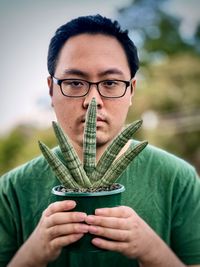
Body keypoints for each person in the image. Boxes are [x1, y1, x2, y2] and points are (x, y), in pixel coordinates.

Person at [0, 14, 200, 267]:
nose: (92, 101)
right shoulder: (11, 191)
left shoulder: (178, 179)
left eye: (110, 83)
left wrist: (152, 249)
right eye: (74, 82)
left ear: (131, 91)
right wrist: (33, 253)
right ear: (51, 89)